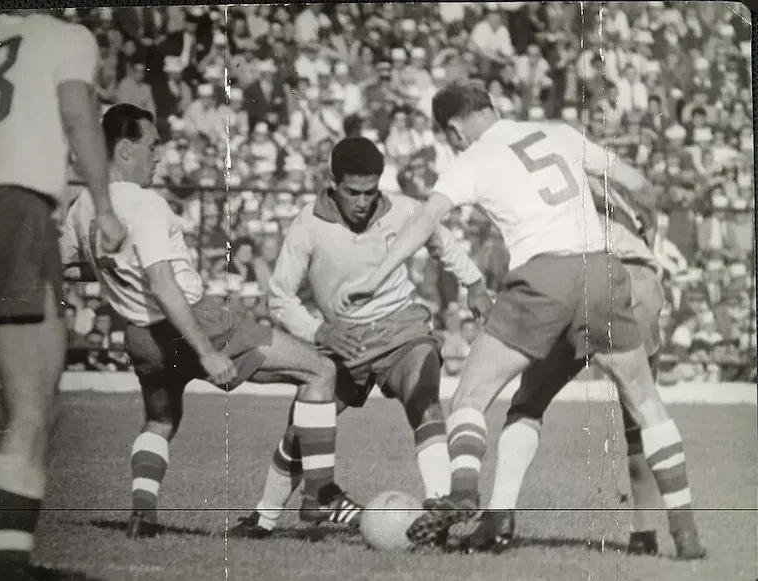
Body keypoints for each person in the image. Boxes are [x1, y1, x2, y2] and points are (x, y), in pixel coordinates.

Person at [337, 81, 705, 559]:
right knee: (647, 405)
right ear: (491, 107)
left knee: (473, 393)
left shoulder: (470, 159)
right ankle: (688, 536)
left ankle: (465, 493)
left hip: (544, 278)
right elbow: (639, 185)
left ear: (453, 129)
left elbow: (425, 221)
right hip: (604, 271)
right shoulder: (558, 132)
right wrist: (650, 235)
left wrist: (374, 277)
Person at [60, 104, 357, 540]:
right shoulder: (143, 203)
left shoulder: (84, 205)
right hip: (199, 323)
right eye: (152, 145)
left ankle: (143, 511)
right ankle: (318, 496)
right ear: (125, 150)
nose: (159, 155)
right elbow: (163, 282)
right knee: (320, 369)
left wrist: (115, 273)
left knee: (159, 421)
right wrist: (206, 350)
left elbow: (65, 265)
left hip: (140, 336)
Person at [232, 137, 493, 538]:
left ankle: (440, 506)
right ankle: (264, 518)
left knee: (424, 399)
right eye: (352, 192)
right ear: (332, 182)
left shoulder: (404, 209)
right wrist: (319, 331)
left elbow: (442, 241)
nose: (362, 201)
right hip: (341, 341)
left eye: (370, 192)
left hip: (400, 329)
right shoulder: (307, 224)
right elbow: (279, 297)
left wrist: (474, 283)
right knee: (301, 432)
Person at [0, 11, 126, 581]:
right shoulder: (66, 38)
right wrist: (104, 207)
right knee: (35, 404)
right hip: (11, 208)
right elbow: (77, 114)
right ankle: (7, 564)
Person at [477, 175, 668, 555]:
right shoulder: (627, 187)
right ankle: (646, 534)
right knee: (640, 418)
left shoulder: (550, 188)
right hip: (636, 281)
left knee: (528, 403)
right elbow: (650, 215)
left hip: (575, 275)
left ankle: (499, 517)